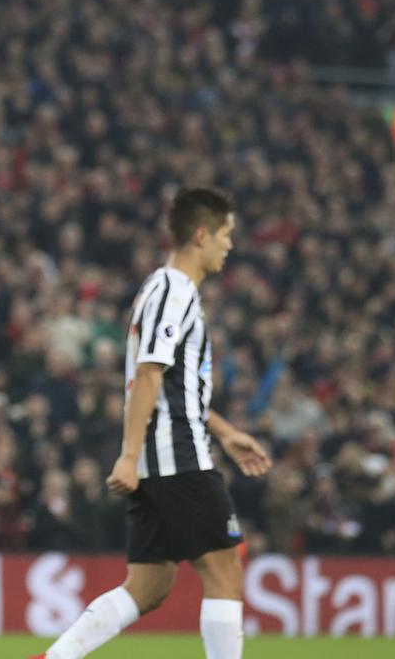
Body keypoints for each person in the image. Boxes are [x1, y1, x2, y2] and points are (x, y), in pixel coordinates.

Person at [31, 188, 272, 659]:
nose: (230, 245)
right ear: (201, 235)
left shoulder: (170, 292)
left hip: (164, 451)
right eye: (226, 235)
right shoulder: (172, 291)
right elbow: (148, 373)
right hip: (174, 452)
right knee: (225, 570)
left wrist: (224, 432)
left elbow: (175, 384)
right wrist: (128, 454)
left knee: (150, 584)